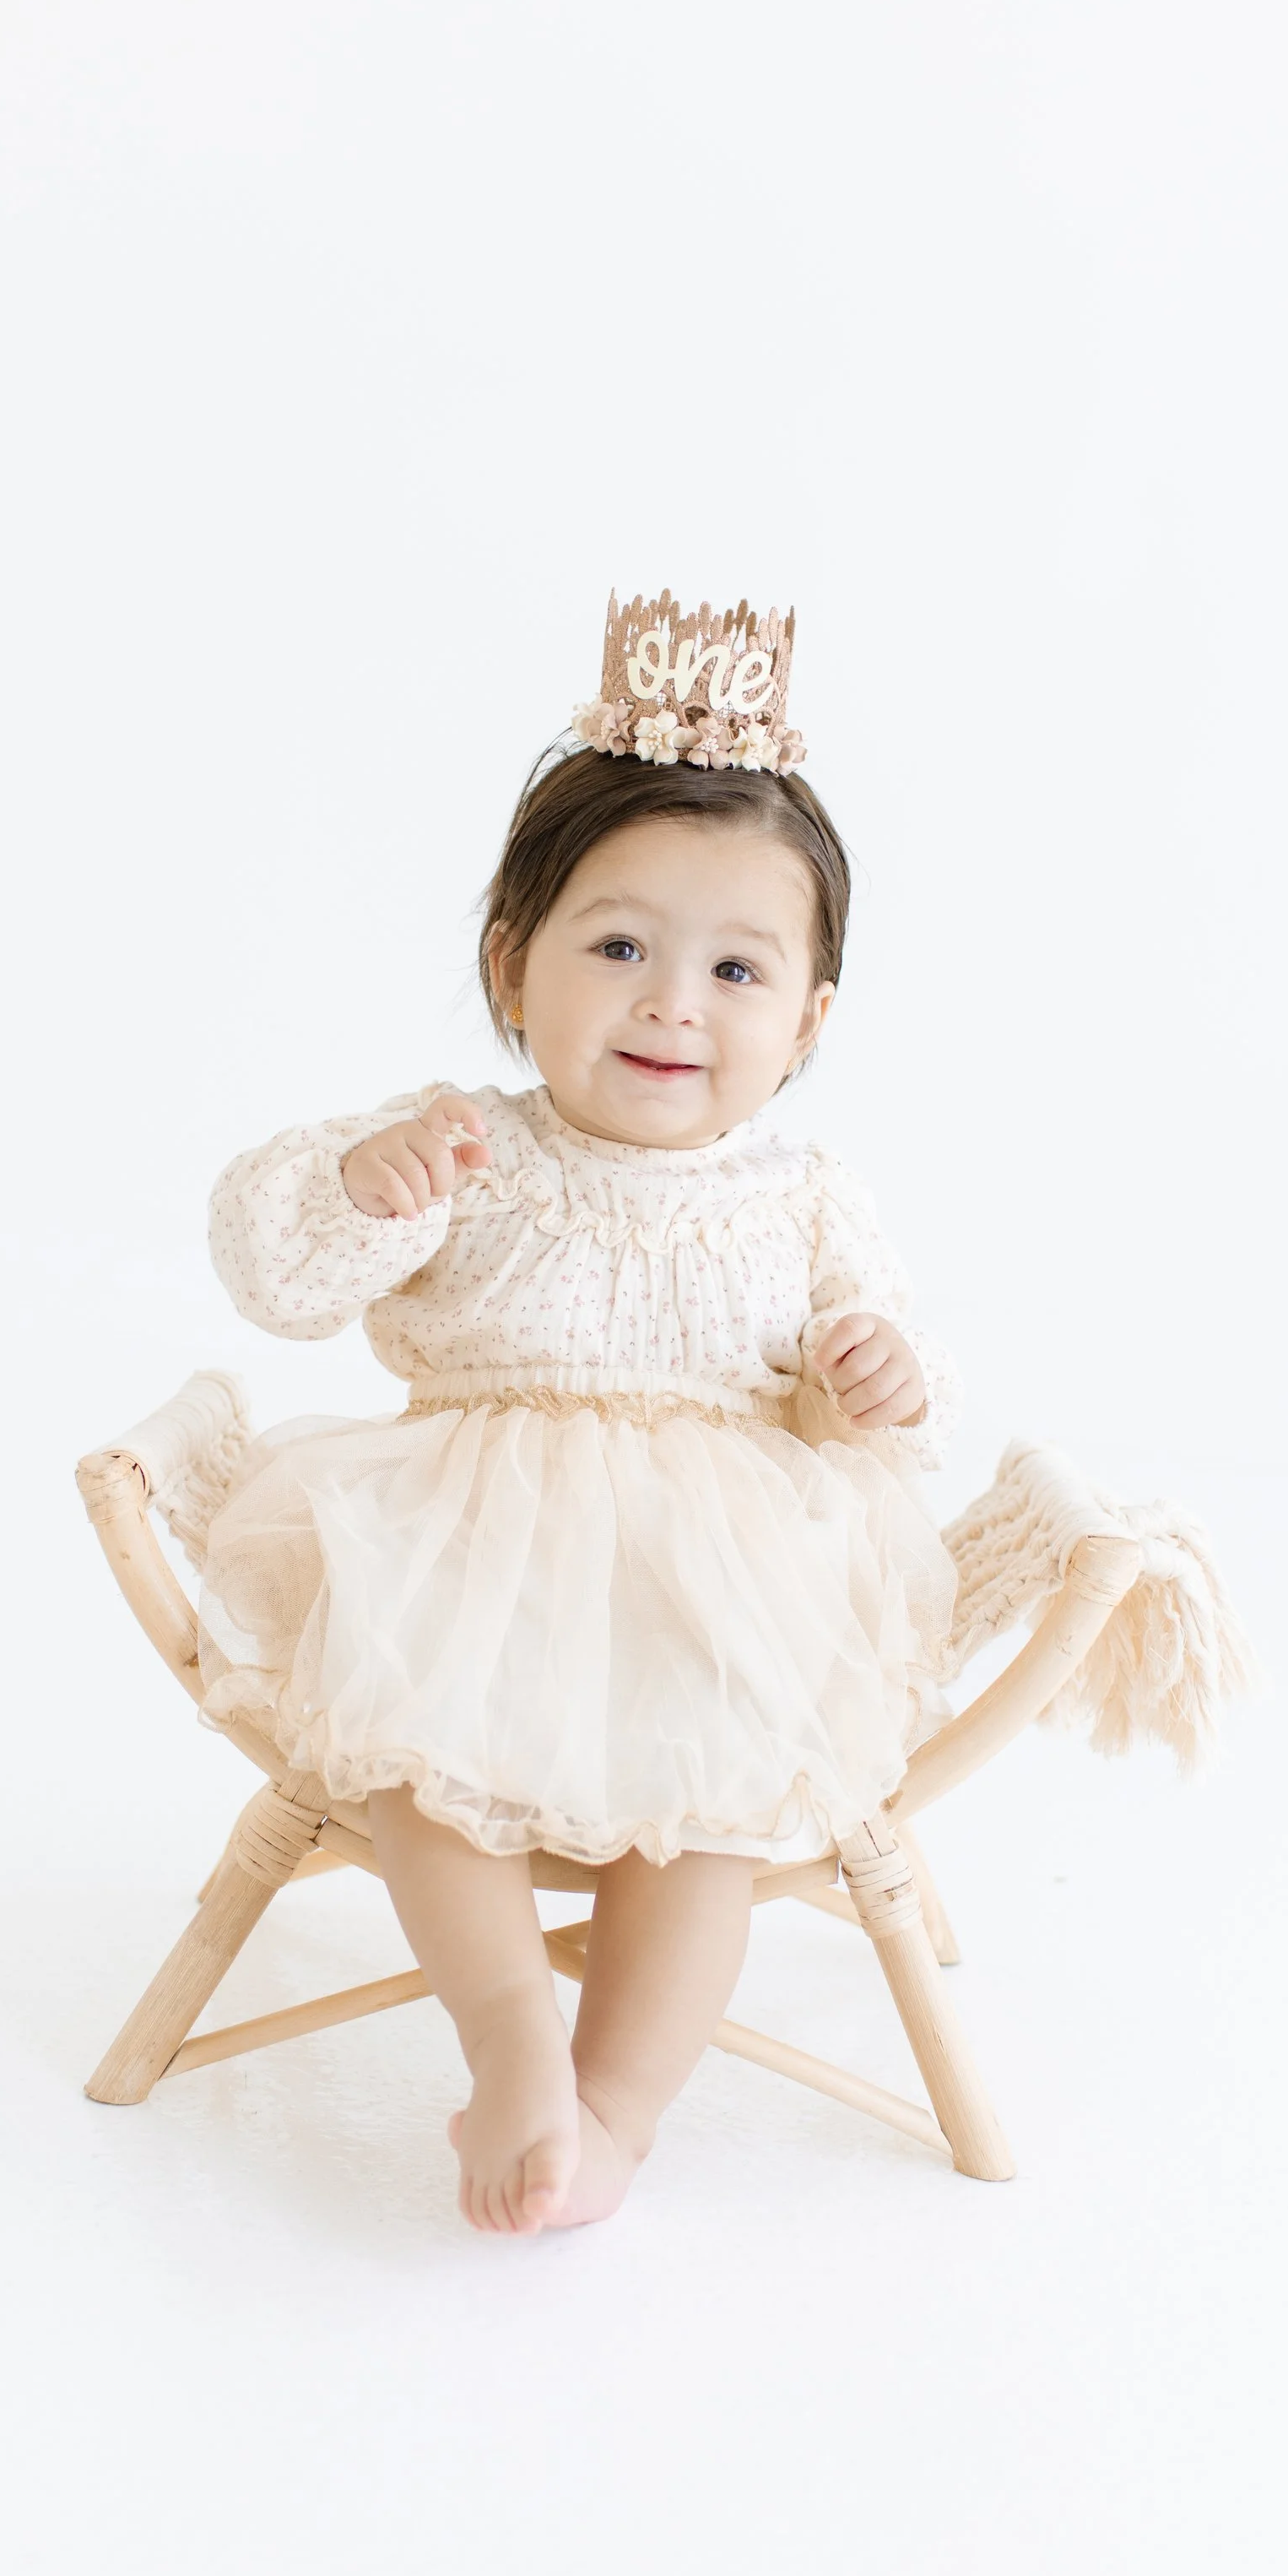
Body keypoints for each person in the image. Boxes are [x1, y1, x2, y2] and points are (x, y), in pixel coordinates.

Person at [198, 597, 970, 2236]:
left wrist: (868, 1378)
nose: (669, 1003)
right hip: (476, 1551)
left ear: (809, 1019)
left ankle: (614, 2107)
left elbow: (884, 1386)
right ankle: (509, 2044)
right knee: (419, 1765)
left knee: (708, 1819)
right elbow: (274, 1262)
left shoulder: (807, 1195)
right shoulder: (460, 1138)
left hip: (713, 1596)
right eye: (615, 945)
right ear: (509, 964)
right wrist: (363, 1184)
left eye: (734, 967)